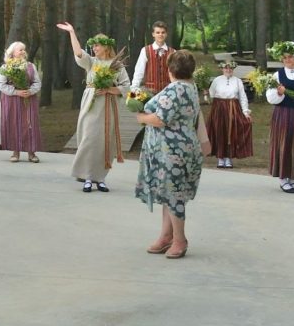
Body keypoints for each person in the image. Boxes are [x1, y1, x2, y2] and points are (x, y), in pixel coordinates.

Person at [135, 50, 206, 259]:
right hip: (182, 147)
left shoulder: (176, 89)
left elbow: (160, 119)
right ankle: (166, 236)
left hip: (172, 151)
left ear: (170, 69)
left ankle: (180, 240)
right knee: (169, 192)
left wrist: (141, 117)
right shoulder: (190, 86)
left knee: (173, 194)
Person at [58, 23, 130, 193]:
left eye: (97, 45)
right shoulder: (91, 62)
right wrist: (72, 32)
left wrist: (110, 89)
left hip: (108, 106)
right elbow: (78, 53)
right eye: (93, 46)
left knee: (104, 141)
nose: (94, 48)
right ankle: (87, 177)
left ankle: (100, 178)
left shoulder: (116, 65)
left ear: (106, 47)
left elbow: (127, 86)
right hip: (91, 104)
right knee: (89, 139)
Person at [0, 41, 42, 163]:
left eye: (23, 49)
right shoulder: (6, 67)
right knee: (14, 124)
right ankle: (15, 152)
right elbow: (1, 84)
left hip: (28, 99)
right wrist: (16, 92)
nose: (23, 52)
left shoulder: (30, 66)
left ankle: (31, 153)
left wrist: (30, 91)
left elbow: (37, 82)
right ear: (13, 52)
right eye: (20, 50)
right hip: (12, 100)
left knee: (29, 124)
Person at [265, 40, 294, 193]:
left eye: (290, 57)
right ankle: (282, 179)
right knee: (284, 143)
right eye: (285, 57)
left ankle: (292, 178)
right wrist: (279, 93)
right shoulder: (277, 75)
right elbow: (270, 96)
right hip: (283, 114)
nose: (287, 60)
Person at [206, 59, 252, 169]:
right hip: (218, 108)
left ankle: (228, 158)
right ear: (222, 69)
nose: (228, 70)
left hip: (233, 108)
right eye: (226, 68)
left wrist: (245, 112)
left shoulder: (237, 81)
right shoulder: (217, 80)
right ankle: (220, 158)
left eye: (230, 68)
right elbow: (211, 95)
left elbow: (242, 97)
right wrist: (205, 93)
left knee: (231, 132)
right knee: (219, 131)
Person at [131, 21, 174, 94]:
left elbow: (176, 73)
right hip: (149, 92)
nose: (160, 35)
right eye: (158, 32)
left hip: (168, 92)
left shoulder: (173, 52)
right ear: (153, 34)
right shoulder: (145, 50)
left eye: (163, 32)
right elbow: (139, 71)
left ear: (166, 34)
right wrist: (134, 88)